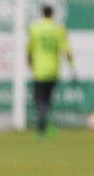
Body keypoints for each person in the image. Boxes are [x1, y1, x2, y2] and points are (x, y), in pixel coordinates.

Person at [27, 5, 75, 137]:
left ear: (42, 13)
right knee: (47, 99)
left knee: (39, 100)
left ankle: (42, 127)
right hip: (53, 70)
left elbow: (29, 50)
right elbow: (67, 51)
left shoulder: (34, 28)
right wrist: (72, 69)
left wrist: (30, 64)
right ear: (52, 14)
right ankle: (48, 125)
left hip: (39, 70)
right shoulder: (59, 29)